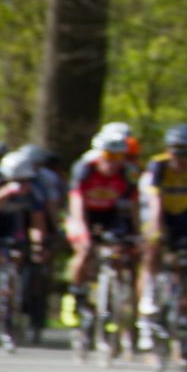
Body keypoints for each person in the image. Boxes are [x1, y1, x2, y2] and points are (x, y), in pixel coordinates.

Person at [136, 124, 187, 350]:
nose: (182, 159)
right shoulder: (159, 165)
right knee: (153, 247)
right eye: (177, 152)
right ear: (168, 150)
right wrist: (156, 231)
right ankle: (149, 295)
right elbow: (155, 205)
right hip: (160, 211)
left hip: (184, 213)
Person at [63, 132, 139, 321]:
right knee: (85, 250)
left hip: (110, 214)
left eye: (118, 157)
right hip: (84, 213)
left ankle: (115, 300)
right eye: (108, 157)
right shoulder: (85, 169)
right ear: (99, 154)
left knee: (122, 251)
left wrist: (138, 233)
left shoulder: (128, 172)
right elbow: (76, 202)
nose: (113, 163)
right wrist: (83, 232)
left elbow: (134, 206)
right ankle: (76, 293)